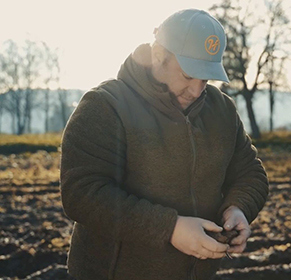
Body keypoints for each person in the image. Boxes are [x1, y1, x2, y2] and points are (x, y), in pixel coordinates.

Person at [60, 8, 269, 280]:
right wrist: (169, 228)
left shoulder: (222, 110)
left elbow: (250, 173)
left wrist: (239, 207)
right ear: (158, 55)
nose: (196, 90)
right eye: (187, 75)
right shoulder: (105, 106)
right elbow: (82, 195)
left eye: (205, 79)